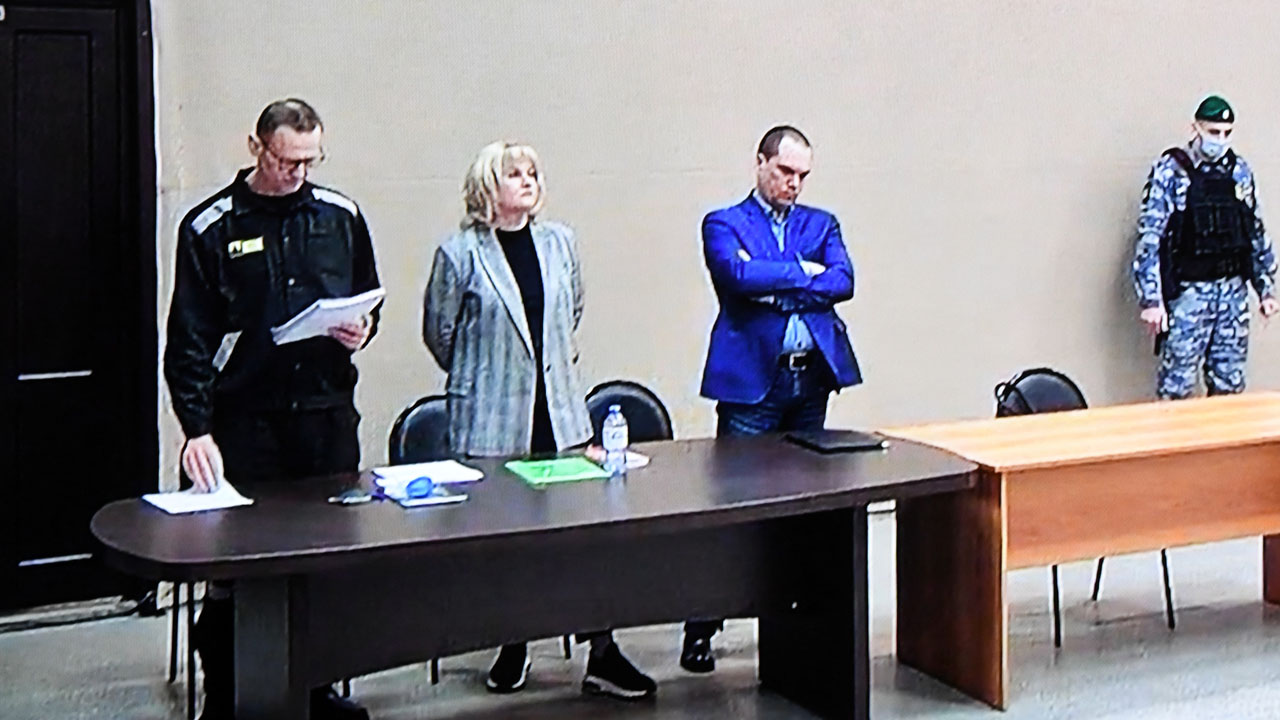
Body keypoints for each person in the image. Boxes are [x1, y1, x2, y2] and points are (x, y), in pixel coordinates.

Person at [164, 98, 380, 720]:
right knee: (236, 573)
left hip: (323, 417)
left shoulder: (340, 215)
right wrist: (196, 429)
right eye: (287, 161)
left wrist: (362, 329)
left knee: (321, 568)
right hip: (245, 422)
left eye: (310, 162)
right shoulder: (209, 227)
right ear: (257, 148)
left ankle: (315, 693)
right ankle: (227, 699)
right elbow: (189, 339)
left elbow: (368, 298)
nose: (298, 174)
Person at [421, 141, 657, 700]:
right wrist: (490, 372)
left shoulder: (559, 242)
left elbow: (571, 311)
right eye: (514, 174)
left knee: (583, 540)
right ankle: (514, 644)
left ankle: (603, 652)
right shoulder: (459, 253)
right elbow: (441, 334)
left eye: (533, 173)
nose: (527, 181)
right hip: (493, 420)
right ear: (487, 186)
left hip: (560, 418)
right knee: (511, 546)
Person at [684, 125, 862, 673]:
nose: (794, 184)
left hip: (809, 381)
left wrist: (777, 285)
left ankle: (801, 619)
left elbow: (843, 281)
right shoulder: (724, 222)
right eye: (785, 171)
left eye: (802, 175)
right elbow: (737, 276)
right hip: (751, 386)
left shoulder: (821, 223)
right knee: (734, 506)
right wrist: (801, 274)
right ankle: (701, 627)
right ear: (760, 163)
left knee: (806, 504)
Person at [1133, 95, 1278, 399]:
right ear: (1195, 128)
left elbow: (1253, 231)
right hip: (1189, 294)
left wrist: (1266, 288)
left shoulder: (1239, 171)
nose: (1220, 140)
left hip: (1232, 293)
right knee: (1177, 386)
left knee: (1230, 385)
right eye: (1213, 132)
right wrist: (1152, 300)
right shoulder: (1171, 171)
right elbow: (1151, 237)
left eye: (1226, 133)